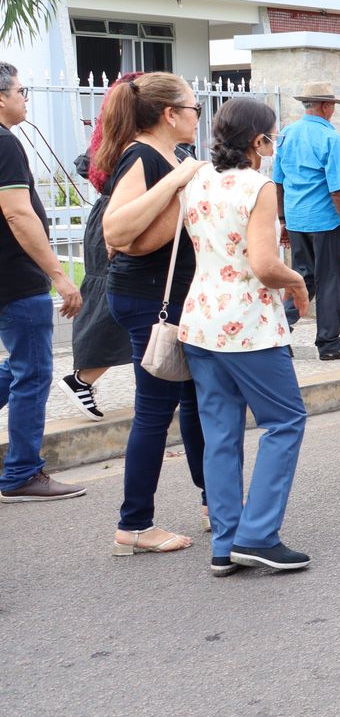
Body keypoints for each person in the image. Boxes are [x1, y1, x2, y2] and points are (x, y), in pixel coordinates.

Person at [180, 97, 312, 575]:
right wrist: (296, 281)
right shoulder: (258, 185)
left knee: (220, 433)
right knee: (285, 421)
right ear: (259, 141)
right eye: (271, 138)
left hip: (201, 319)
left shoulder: (199, 181)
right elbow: (263, 264)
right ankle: (258, 536)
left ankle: (225, 542)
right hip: (249, 325)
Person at [98, 72, 208, 553]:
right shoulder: (142, 155)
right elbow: (118, 232)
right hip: (149, 302)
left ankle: (215, 500)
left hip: (166, 300)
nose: (197, 116)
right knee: (154, 413)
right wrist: (182, 182)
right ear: (170, 114)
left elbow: (155, 235)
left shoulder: (170, 156)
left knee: (195, 404)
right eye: (193, 107)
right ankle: (135, 524)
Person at [0, 63, 86, 503]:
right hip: (16, 277)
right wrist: (58, 274)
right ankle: (21, 474)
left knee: (18, 368)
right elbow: (17, 213)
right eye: (21, 90)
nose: (25, 98)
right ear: (1, 97)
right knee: (32, 373)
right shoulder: (5, 143)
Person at [61, 74, 145, 422]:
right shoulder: (137, 143)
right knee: (112, 305)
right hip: (120, 223)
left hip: (107, 220)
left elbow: (88, 165)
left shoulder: (112, 135)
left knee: (120, 305)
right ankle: (81, 378)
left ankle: (87, 378)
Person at [274, 81, 340, 361]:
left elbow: (278, 181)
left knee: (302, 277)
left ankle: (278, 330)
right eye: (332, 105)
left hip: (297, 219)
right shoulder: (331, 139)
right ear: (326, 106)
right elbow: (338, 190)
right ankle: (330, 343)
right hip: (325, 222)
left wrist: (283, 220)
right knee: (331, 281)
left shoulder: (287, 133)